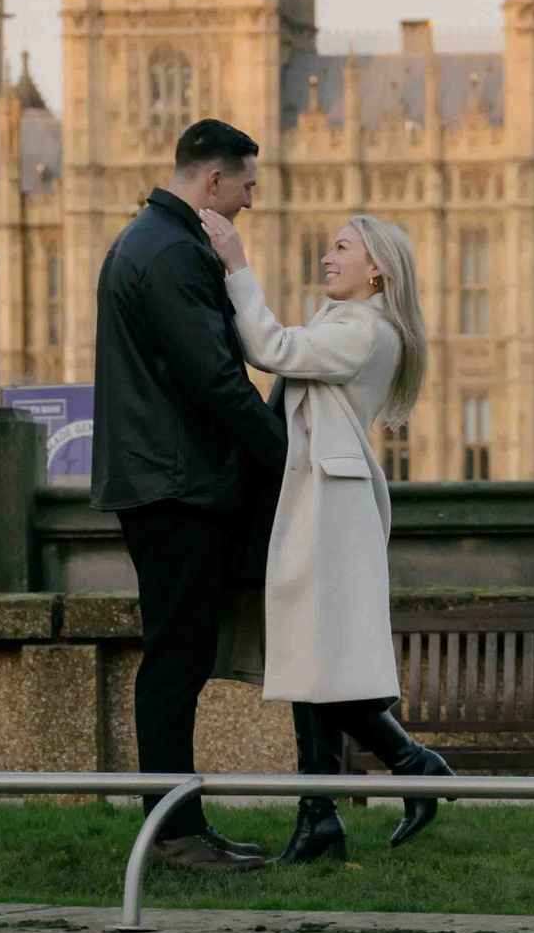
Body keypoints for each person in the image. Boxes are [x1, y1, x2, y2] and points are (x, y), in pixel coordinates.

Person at [195, 203, 451, 863]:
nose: (327, 257)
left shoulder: (367, 330)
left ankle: (413, 763)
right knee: (308, 659)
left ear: (377, 272)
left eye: (341, 249)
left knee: (317, 663)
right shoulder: (345, 321)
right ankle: (320, 818)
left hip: (327, 509)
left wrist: (237, 266)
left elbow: (271, 349)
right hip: (306, 499)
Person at [90, 116, 289, 874]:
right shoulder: (172, 251)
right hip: (176, 484)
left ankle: (183, 823)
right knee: (175, 663)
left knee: (179, 658)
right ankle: (172, 834)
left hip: (159, 478)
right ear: (213, 180)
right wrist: (285, 454)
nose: (248, 202)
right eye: (244, 186)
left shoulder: (148, 239)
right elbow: (214, 379)